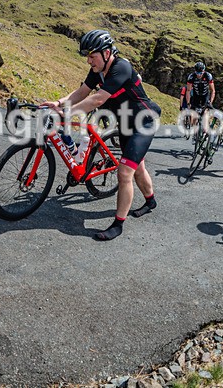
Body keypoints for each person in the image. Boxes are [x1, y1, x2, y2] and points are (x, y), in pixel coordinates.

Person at [42, 29, 162, 241]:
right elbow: (82, 93)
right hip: (125, 122)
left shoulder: (121, 67)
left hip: (144, 121)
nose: (89, 60)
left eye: (92, 56)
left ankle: (118, 225)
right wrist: (60, 103)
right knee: (137, 166)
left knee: (124, 172)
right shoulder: (97, 70)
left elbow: (97, 99)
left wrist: (68, 112)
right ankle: (150, 200)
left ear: (107, 53)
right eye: (87, 56)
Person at [185, 61, 215, 127]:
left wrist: (210, 102)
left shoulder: (208, 76)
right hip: (196, 95)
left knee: (205, 113)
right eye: (197, 72)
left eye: (201, 73)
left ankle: (205, 130)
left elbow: (212, 90)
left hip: (205, 95)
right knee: (193, 117)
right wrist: (188, 103)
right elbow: (188, 90)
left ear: (204, 71)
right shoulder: (191, 77)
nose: (199, 75)